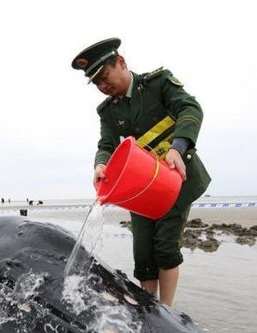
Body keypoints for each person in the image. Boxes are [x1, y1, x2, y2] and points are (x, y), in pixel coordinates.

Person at [71, 38, 211, 307]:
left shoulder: (157, 84)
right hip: (140, 185)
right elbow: (106, 145)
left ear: (121, 63)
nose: (102, 86)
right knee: (143, 254)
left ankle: (167, 313)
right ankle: (150, 309)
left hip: (175, 177)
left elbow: (190, 109)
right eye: (97, 83)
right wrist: (100, 164)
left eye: (104, 76)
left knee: (165, 248)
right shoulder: (108, 111)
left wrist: (177, 148)